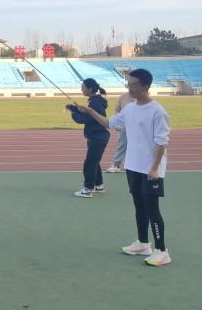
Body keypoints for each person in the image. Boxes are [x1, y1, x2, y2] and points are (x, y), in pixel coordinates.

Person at [77, 69, 171, 267]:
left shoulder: (158, 112)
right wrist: (90, 111)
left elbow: (161, 142)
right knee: (139, 206)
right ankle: (143, 244)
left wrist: (154, 168)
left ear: (146, 86)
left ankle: (162, 251)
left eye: (134, 85)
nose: (130, 88)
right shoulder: (129, 109)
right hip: (133, 166)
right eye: (129, 84)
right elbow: (109, 122)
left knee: (152, 210)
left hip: (150, 169)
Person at [66, 79, 110, 198]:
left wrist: (73, 113)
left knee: (90, 163)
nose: (81, 89)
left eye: (83, 87)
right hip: (98, 136)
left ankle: (87, 189)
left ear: (90, 89)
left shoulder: (94, 102)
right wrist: (76, 109)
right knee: (94, 161)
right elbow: (89, 115)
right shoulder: (96, 101)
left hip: (97, 136)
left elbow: (84, 119)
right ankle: (98, 185)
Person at [106, 90, 133, 173]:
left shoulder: (141, 97)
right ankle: (116, 165)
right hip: (124, 126)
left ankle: (137, 165)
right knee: (121, 145)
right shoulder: (122, 97)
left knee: (139, 146)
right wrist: (117, 124)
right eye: (129, 85)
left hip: (139, 127)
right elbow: (117, 111)